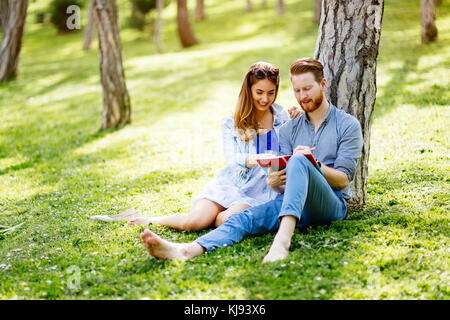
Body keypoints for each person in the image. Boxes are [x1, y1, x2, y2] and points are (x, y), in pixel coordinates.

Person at [138, 57, 364, 263]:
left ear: (323, 85)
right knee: (241, 220)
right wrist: (274, 181)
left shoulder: (347, 125)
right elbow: (279, 184)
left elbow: (343, 181)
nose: (302, 96)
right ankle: (185, 251)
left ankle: (281, 242)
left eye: (308, 88)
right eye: (297, 91)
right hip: (290, 201)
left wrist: (312, 163)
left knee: (299, 160)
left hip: (330, 204)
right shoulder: (287, 129)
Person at [126, 61, 302, 231]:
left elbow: (290, 152)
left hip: (258, 192)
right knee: (194, 223)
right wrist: (256, 158)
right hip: (232, 184)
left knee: (223, 220)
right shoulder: (231, 122)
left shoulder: (282, 117)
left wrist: (300, 120)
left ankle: (217, 216)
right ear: (249, 90)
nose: (265, 99)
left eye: (271, 93)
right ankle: (151, 220)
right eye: (259, 92)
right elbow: (232, 160)